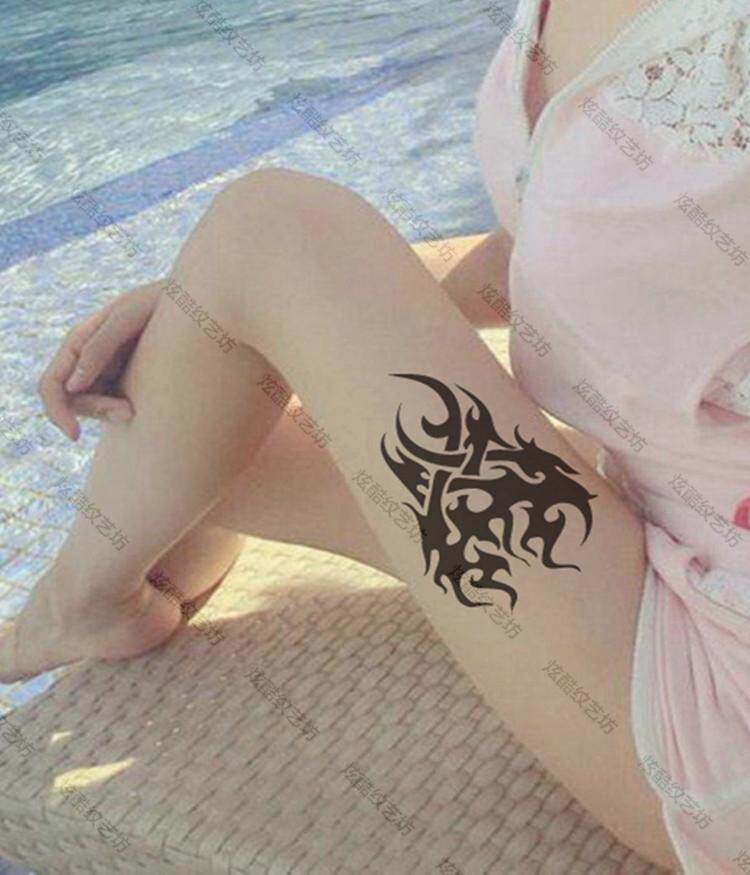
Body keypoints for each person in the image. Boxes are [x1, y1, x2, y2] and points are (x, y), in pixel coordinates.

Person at [8, 0, 750, 869]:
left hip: (718, 701)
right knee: (195, 398)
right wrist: (235, 311)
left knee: (271, 230)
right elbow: (573, 236)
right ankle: (140, 567)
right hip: (656, 520)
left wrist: (268, 284)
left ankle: (71, 608)